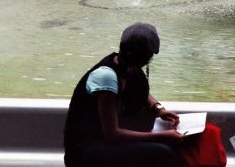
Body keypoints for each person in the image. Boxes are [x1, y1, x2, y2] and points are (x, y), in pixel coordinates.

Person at [64, 22, 186, 167]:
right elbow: (112, 134)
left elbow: (142, 92)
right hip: (86, 151)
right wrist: (162, 136)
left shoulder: (126, 65)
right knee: (163, 152)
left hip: (104, 142)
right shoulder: (106, 77)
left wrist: (158, 108)